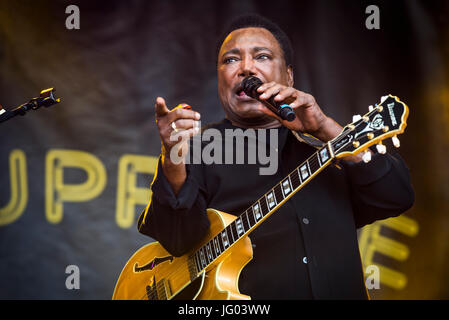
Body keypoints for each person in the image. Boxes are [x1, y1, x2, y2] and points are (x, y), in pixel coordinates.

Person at [137, 14, 414, 299]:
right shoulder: (198, 150)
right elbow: (176, 239)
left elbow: (396, 196)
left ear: (289, 76)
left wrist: (325, 129)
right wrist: (172, 159)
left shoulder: (329, 151)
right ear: (219, 77)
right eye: (231, 60)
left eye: (262, 56)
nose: (245, 68)